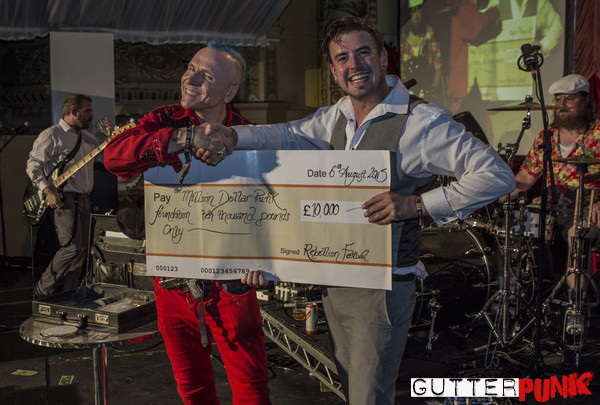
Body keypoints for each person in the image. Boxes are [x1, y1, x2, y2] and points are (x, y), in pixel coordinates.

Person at [195, 17, 515, 404]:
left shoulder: (421, 122)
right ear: (333, 71)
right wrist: (233, 135)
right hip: (335, 283)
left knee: (369, 397)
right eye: (342, 58)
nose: (354, 64)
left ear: (382, 58)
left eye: (363, 53)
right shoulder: (336, 116)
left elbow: (497, 175)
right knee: (353, 391)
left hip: (382, 288)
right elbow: (286, 135)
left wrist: (418, 204)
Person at [103, 41, 271, 405]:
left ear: (230, 91)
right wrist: (183, 138)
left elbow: (273, 210)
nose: (190, 79)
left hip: (232, 285)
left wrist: (267, 260)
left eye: (205, 76)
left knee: (251, 388)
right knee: (191, 388)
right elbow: (114, 158)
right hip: (173, 284)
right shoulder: (166, 120)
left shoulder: (249, 134)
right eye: (190, 68)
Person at [504, 74, 600, 317]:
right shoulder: (546, 137)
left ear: (586, 101)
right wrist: (497, 196)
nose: (562, 104)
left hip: (587, 207)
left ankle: (575, 309)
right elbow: (525, 178)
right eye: (558, 99)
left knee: (577, 235)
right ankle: (513, 302)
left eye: (570, 99)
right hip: (551, 207)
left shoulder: (598, 133)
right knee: (511, 228)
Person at [26, 94, 97, 298]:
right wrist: (47, 191)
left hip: (84, 199)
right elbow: (33, 165)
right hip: (64, 199)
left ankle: (70, 293)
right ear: (74, 112)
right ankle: (43, 289)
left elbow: (107, 157)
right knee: (71, 248)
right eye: (87, 111)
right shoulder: (52, 134)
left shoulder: (88, 138)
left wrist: (112, 136)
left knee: (80, 251)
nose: (91, 115)